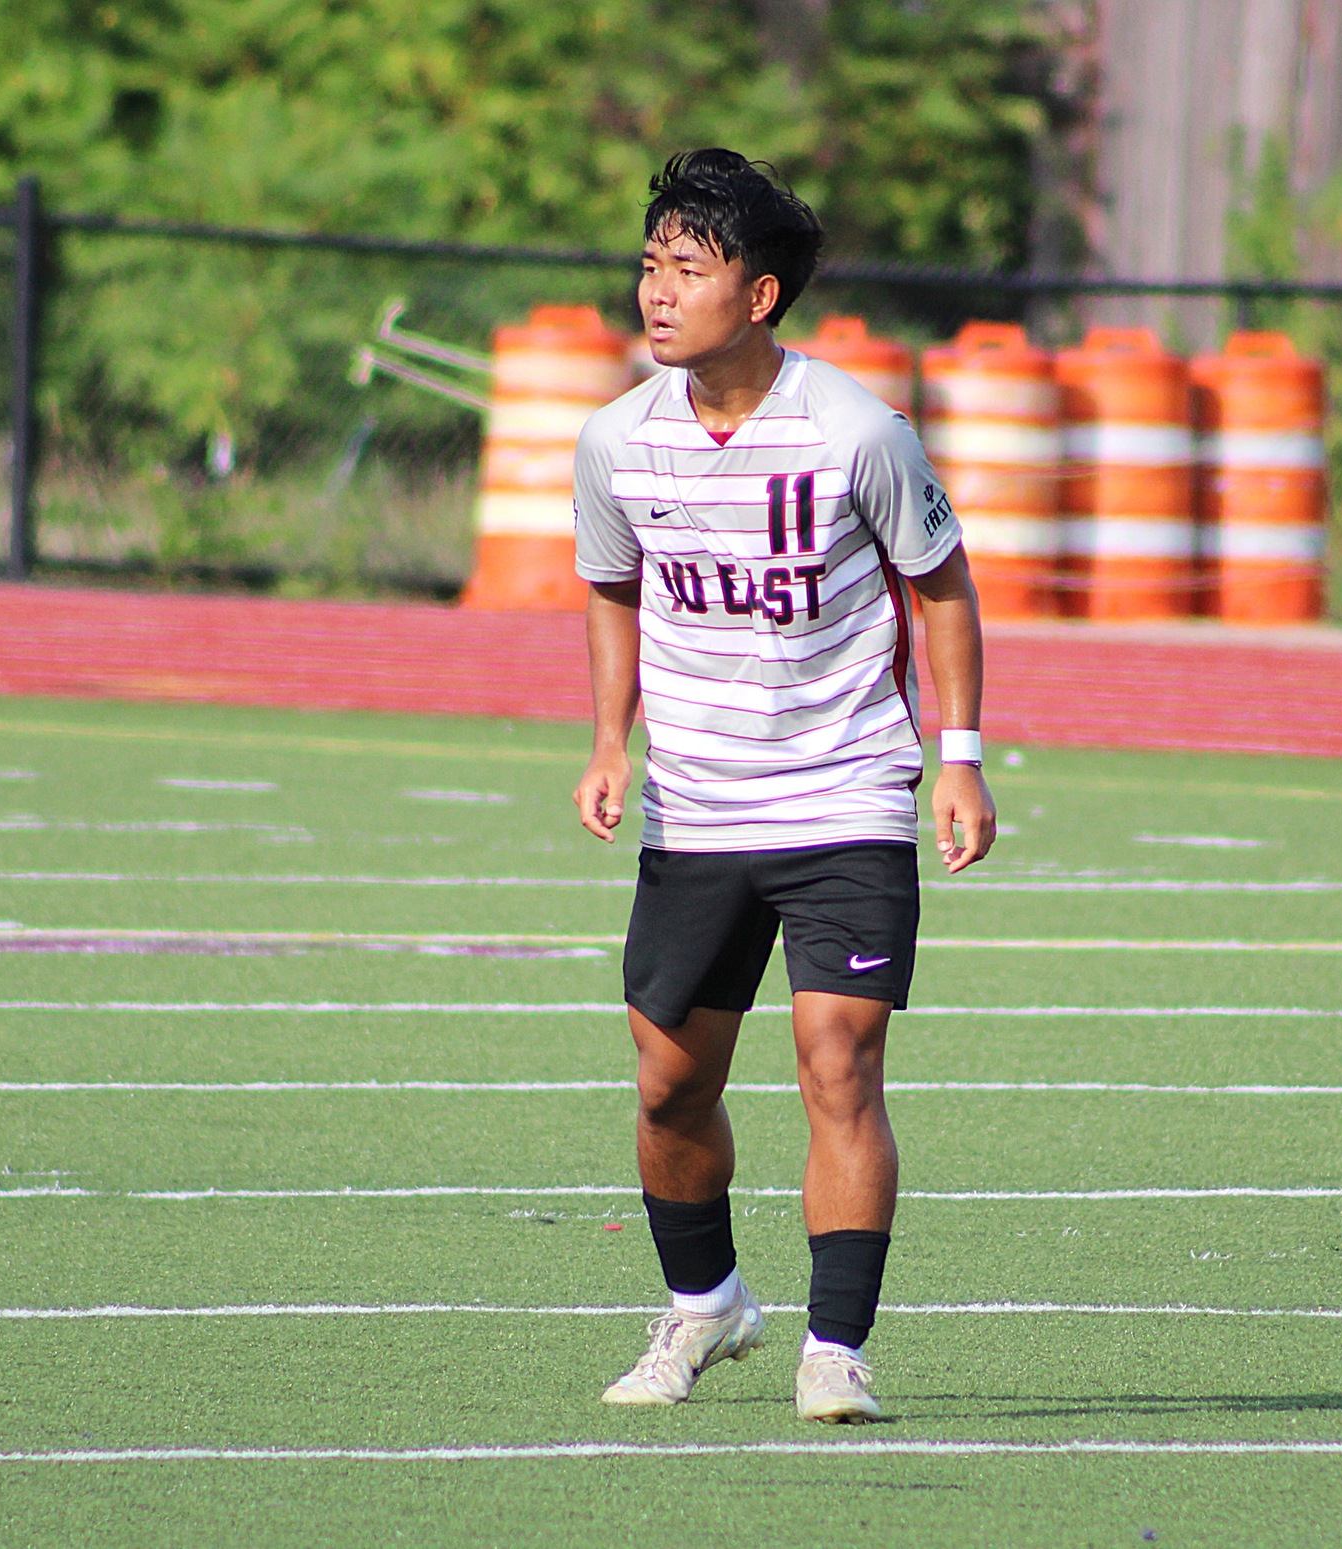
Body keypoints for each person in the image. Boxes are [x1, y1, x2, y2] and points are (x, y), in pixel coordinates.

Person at [570, 148, 996, 1424]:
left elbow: (944, 586)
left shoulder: (858, 431)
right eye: (651, 265)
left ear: (757, 297)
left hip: (846, 794)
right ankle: (708, 1308)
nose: (657, 291)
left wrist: (959, 755)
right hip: (696, 806)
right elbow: (610, 588)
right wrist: (608, 740)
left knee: (837, 1062)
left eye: (687, 269)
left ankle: (837, 1348)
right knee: (667, 1082)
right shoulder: (615, 442)